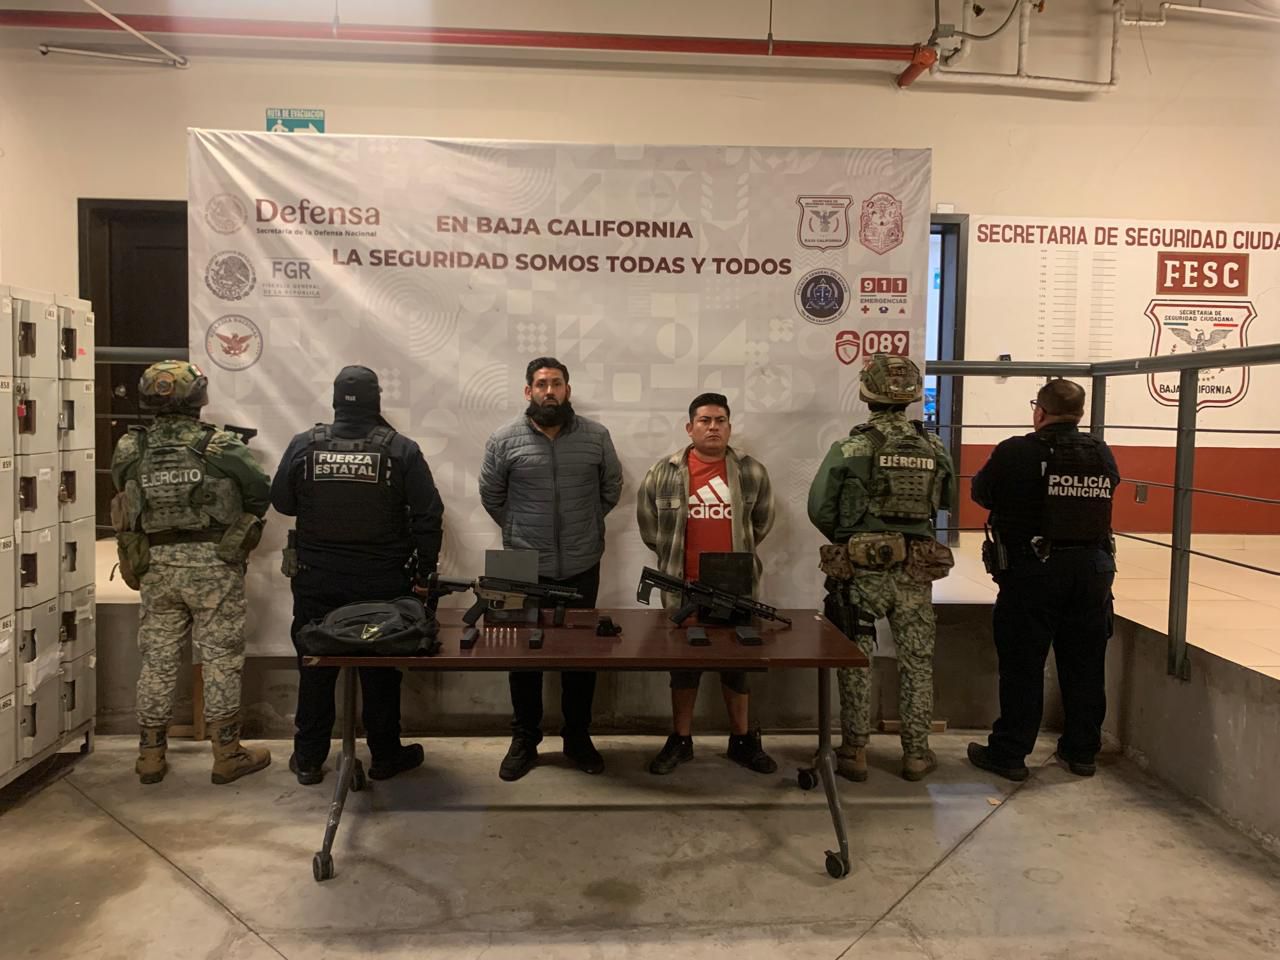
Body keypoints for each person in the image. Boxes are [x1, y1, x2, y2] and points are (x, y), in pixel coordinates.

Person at [271, 366, 444, 785]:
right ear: (377, 400)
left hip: (317, 582)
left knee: (315, 668)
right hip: (381, 585)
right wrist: (425, 573)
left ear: (335, 401)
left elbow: (282, 502)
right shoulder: (400, 449)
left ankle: (308, 759)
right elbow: (428, 515)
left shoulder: (304, 444)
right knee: (380, 670)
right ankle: (385, 755)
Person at [110, 360, 272, 785]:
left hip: (157, 566)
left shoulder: (131, 447)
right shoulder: (220, 446)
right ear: (197, 397)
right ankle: (227, 754)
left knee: (158, 659)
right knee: (220, 658)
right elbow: (259, 492)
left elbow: (123, 488)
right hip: (214, 565)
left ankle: (150, 756)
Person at [807, 354, 956, 782]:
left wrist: (854, 535)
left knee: (857, 658)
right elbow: (945, 501)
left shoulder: (851, 448)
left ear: (867, 392)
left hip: (862, 571)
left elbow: (820, 509)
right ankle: (916, 754)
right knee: (917, 660)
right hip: (915, 572)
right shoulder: (935, 448)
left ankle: (854, 752)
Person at [479, 357, 623, 781]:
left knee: (580, 656)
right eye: (541, 384)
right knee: (521, 657)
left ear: (567, 390)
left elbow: (611, 487)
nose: (549, 391)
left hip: (581, 561)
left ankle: (577, 737)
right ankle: (525, 739)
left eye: (556, 384)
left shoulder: (596, 436)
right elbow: (491, 494)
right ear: (528, 391)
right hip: (520, 564)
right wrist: (518, 530)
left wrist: (585, 525)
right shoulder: (503, 439)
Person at [967, 379, 1119, 781]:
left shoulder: (1016, 451)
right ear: (1080, 414)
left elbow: (982, 493)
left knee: (1023, 666)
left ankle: (1010, 752)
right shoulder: (1100, 451)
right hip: (1093, 572)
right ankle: (1081, 751)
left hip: (1032, 573)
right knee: (1086, 665)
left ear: (1040, 412)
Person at [636, 392, 778, 775]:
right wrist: (674, 557)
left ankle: (742, 740)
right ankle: (681, 740)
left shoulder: (752, 472)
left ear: (729, 427)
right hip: (683, 589)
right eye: (704, 420)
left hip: (736, 589)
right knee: (684, 667)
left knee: (737, 666)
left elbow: (761, 523)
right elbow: (650, 527)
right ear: (690, 427)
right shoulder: (663, 472)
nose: (712, 427)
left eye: (720, 421)